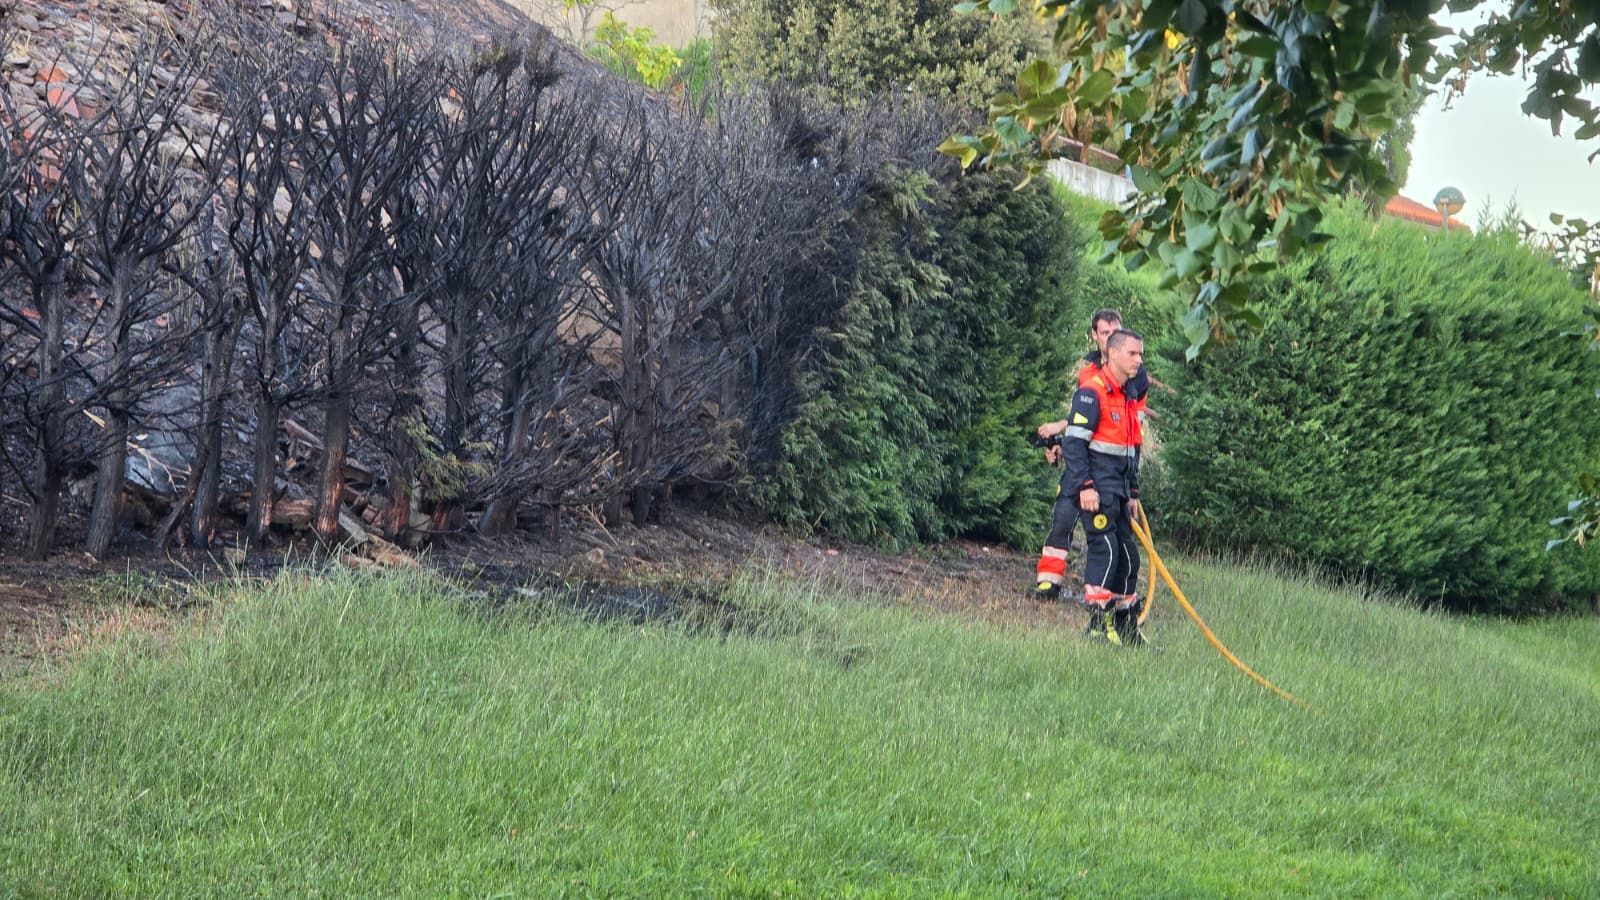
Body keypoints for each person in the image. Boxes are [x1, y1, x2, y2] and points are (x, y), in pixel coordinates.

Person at [1031, 328, 1147, 646]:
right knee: (1105, 552)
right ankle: (1097, 625)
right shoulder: (1091, 393)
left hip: (1120, 492)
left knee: (1129, 558)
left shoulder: (1128, 396)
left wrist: (1133, 493)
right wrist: (1085, 485)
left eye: (1141, 354)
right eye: (1133, 353)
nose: (1139, 360)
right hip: (1097, 491)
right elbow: (1075, 443)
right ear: (1113, 354)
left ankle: (1126, 628)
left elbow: (1132, 448)